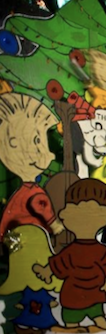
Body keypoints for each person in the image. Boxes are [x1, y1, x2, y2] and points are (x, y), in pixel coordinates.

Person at [32, 179, 106, 333]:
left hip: (95, 295)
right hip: (72, 297)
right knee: (71, 319)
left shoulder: (100, 250)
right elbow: (57, 264)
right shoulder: (71, 251)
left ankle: (102, 328)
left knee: (98, 316)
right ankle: (75, 331)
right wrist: (46, 271)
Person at [0, 93, 65, 243]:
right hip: (24, 238)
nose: (50, 155)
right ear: (12, 143)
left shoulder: (25, 192)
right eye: (37, 140)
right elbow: (39, 204)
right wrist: (54, 224)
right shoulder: (31, 191)